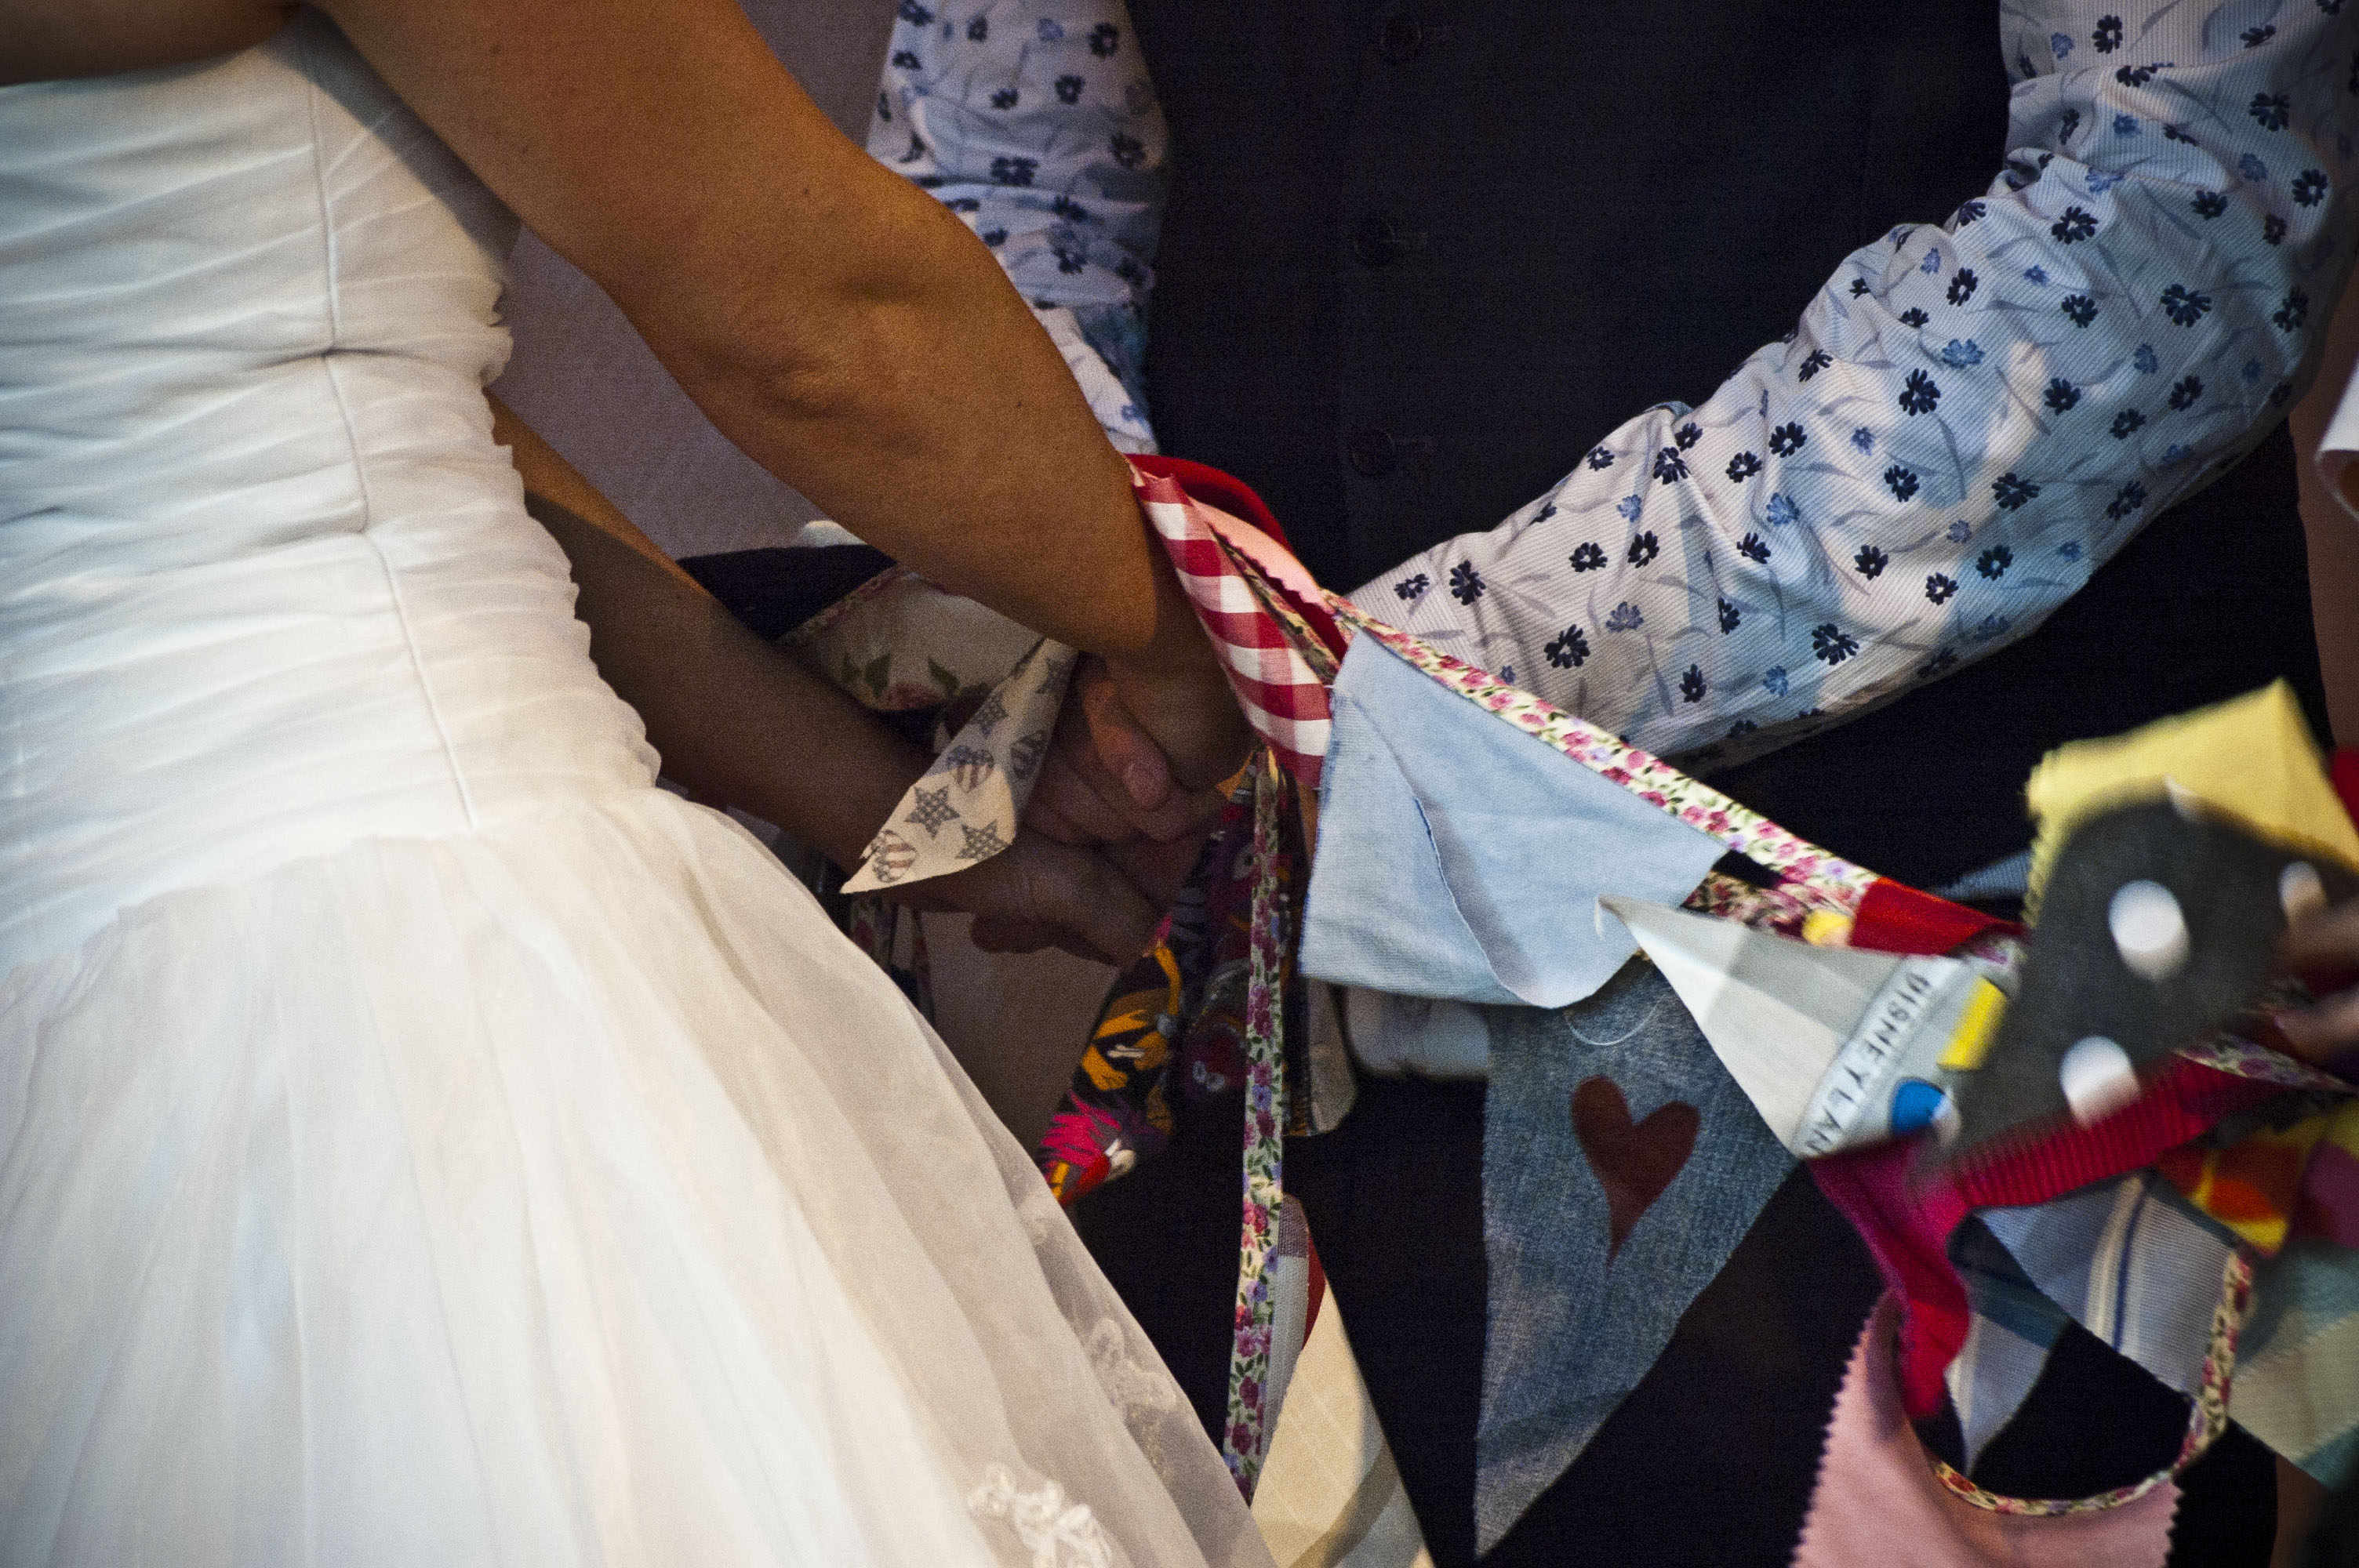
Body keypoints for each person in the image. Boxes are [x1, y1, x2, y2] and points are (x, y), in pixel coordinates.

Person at [869, 1, 2357, 1562]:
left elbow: (2179, 197)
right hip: (1296, 1005)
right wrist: (1100, 598)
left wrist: (1397, 664)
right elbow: (1003, 168)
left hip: (1957, 977)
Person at [0, 2, 1270, 1563]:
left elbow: (382, 440)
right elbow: (818, 318)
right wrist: (1183, 652)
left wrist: (908, 819)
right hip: (394, 994)